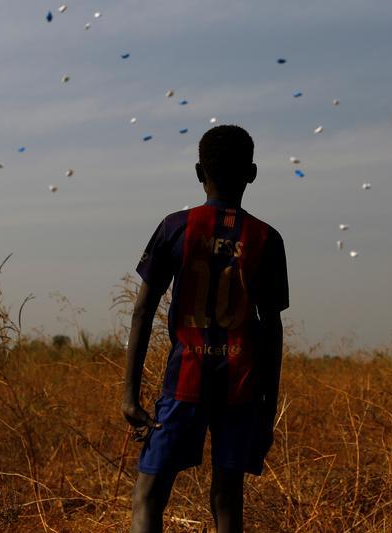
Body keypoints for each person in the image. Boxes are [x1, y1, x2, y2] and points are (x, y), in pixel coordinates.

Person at [122, 125, 289, 533]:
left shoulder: (175, 228)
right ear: (252, 173)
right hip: (242, 387)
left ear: (199, 172)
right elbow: (272, 332)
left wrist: (130, 394)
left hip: (185, 383)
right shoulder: (267, 239)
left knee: (149, 496)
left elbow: (142, 312)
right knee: (227, 499)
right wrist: (266, 410)